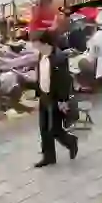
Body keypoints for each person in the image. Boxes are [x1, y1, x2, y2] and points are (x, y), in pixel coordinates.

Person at [33, 30, 79, 167]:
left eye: (37, 45)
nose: (36, 48)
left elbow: (64, 81)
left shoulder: (59, 58)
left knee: (55, 129)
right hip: (44, 95)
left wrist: (63, 100)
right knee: (44, 128)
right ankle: (48, 156)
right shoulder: (41, 55)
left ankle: (71, 142)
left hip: (55, 97)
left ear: (45, 43)